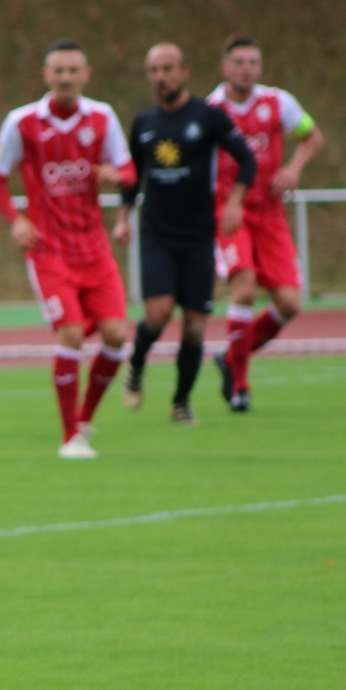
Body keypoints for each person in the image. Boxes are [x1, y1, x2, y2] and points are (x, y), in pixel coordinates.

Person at [0, 40, 136, 459]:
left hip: (95, 250)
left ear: (87, 75)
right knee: (70, 333)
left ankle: (84, 418)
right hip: (49, 251)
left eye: (73, 70)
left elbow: (129, 168)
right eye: (58, 70)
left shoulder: (102, 117)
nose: (66, 77)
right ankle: (70, 437)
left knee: (117, 335)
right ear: (46, 75)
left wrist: (116, 175)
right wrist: (16, 220)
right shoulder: (22, 122)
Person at [113, 43, 256, 423]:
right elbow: (132, 176)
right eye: (154, 70)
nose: (161, 77)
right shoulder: (144, 122)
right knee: (158, 314)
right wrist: (124, 216)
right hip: (157, 234)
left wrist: (234, 202)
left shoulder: (209, 117)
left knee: (194, 326)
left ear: (185, 71)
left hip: (197, 235)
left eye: (168, 68)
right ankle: (137, 362)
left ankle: (180, 402)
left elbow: (247, 160)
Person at [207, 36, 325, 411]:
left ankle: (229, 357)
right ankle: (240, 387)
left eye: (253, 62)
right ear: (225, 67)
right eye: (239, 62)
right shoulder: (211, 110)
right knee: (243, 288)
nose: (246, 69)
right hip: (230, 213)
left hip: (271, 214)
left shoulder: (278, 102)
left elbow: (312, 136)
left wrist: (293, 168)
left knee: (289, 304)